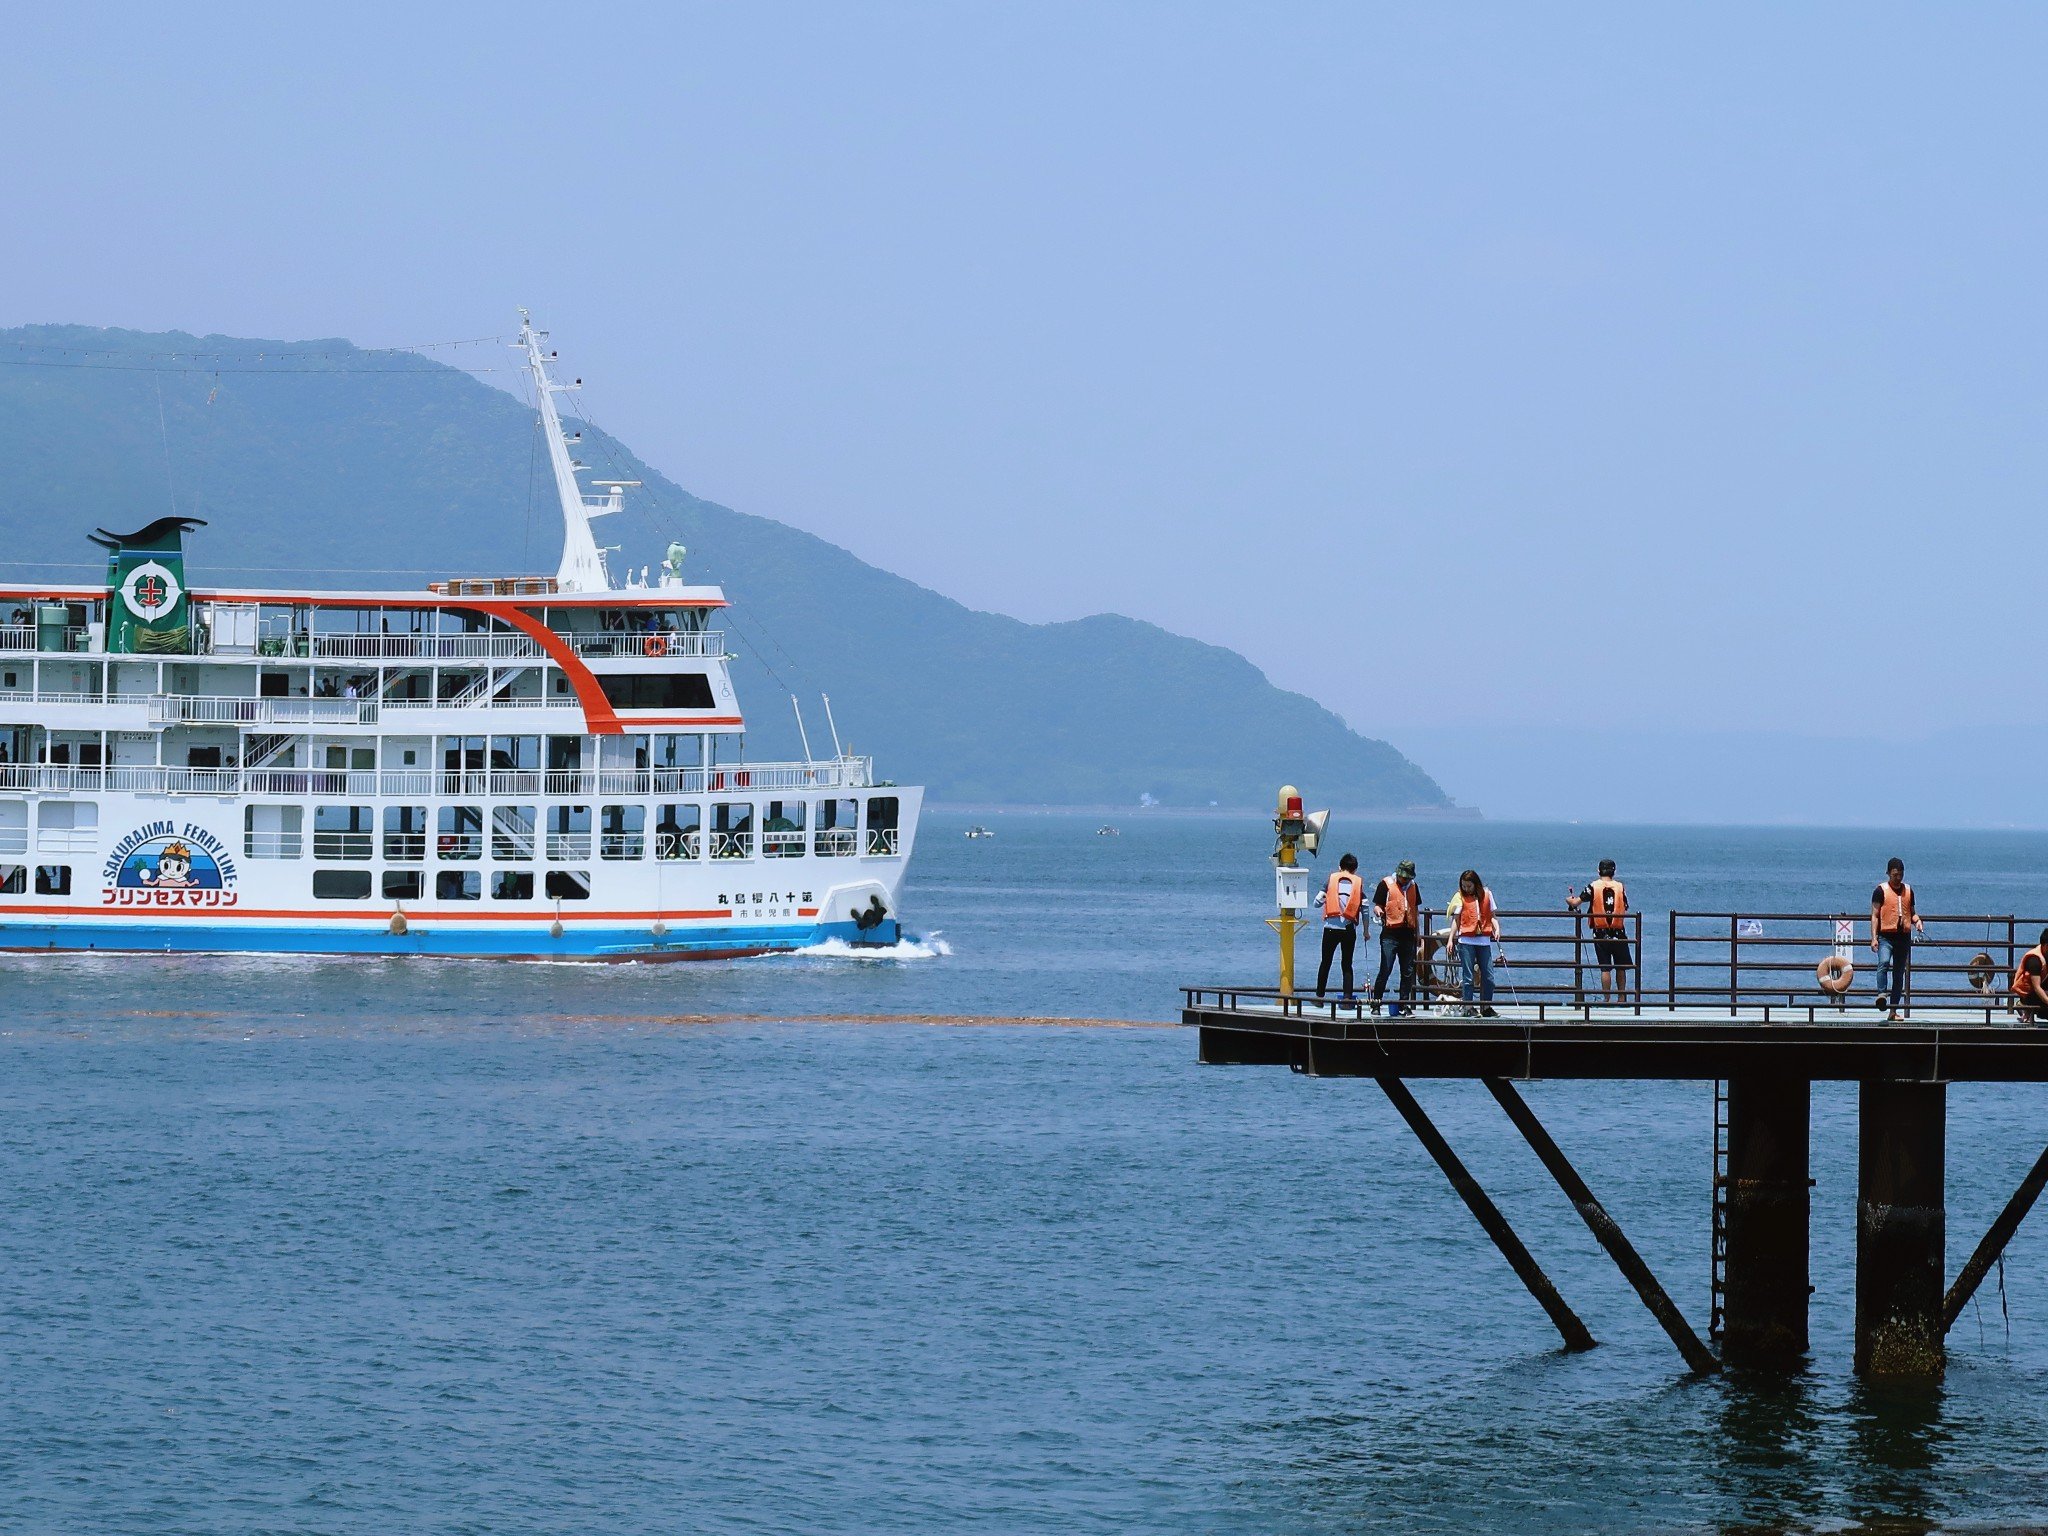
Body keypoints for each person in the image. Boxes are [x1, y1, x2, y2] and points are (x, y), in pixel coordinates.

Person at [1567, 859, 1632, 1003]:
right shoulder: (1620, 887)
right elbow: (1625, 906)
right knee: (1621, 967)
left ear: (1598, 871)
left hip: (1600, 933)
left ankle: (1606, 999)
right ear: (1614, 871)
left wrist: (1569, 901)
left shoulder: (1593, 886)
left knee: (1605, 968)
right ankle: (1622, 998)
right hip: (1619, 932)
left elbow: (1576, 902)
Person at [1869, 857, 1924, 1022]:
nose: (1898, 878)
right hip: (1885, 936)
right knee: (1884, 962)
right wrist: (1874, 938)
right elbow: (1875, 915)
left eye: (1900, 875)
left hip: (1903, 937)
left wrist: (1917, 921)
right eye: (1895, 875)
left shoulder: (1909, 891)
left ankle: (1893, 1011)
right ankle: (1881, 994)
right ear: (1888, 873)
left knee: (1899, 974)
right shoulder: (1880, 890)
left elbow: (1912, 912)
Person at [1371, 859, 1422, 1016]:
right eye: (1402, 877)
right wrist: (1378, 911)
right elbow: (1377, 905)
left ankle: (1404, 1004)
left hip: (1408, 934)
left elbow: (1415, 910)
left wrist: (1418, 933)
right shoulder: (1385, 884)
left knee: (1407, 971)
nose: (1404, 880)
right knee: (1385, 968)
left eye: (1407, 877)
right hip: (1390, 934)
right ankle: (1376, 1003)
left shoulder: (1414, 887)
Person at [1315, 853, 1367, 1000]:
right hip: (1349, 929)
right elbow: (1365, 909)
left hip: (1330, 928)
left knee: (1325, 962)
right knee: (1347, 964)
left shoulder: (1330, 881)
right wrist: (1366, 931)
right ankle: (1347, 998)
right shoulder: (1358, 884)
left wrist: (1326, 898)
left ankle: (1319, 997)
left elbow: (1316, 902)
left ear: (1340, 867)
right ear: (1355, 869)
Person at [1453, 868, 1502, 1017]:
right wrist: (1450, 939)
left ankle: (1486, 1007)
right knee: (1468, 977)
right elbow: (1456, 919)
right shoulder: (1460, 897)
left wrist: (1497, 929)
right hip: (1466, 940)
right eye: (1464, 886)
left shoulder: (1487, 894)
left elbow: (1492, 916)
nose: (1466, 889)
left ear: (1476, 884)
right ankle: (1468, 1007)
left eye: (1469, 886)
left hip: (1484, 941)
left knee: (1489, 977)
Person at [2013, 928, 2048, 1023]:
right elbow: (2037, 987)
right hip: (2030, 995)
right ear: (2046, 946)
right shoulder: (2034, 961)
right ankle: (2023, 1005)